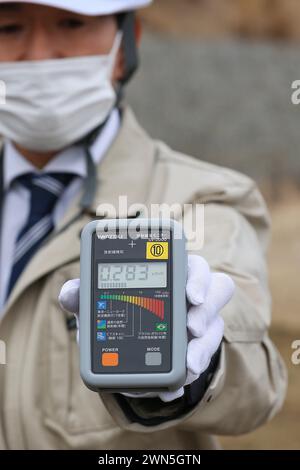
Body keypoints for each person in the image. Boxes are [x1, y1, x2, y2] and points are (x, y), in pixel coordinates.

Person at [0, 0, 286, 450]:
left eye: (71, 24)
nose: (39, 54)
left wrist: (201, 358)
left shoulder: (203, 199)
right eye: (10, 28)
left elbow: (256, 380)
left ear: (126, 43)